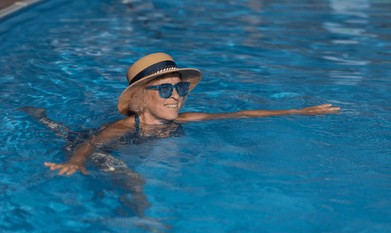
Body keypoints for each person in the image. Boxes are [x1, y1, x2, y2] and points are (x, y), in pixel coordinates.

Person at [41, 52, 340, 176]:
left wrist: (298, 110)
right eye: (164, 90)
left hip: (141, 149)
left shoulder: (182, 120)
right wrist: (74, 161)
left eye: (179, 89)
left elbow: (242, 114)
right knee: (128, 178)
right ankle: (39, 116)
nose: (176, 98)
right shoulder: (122, 127)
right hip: (98, 149)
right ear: (141, 100)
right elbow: (92, 143)